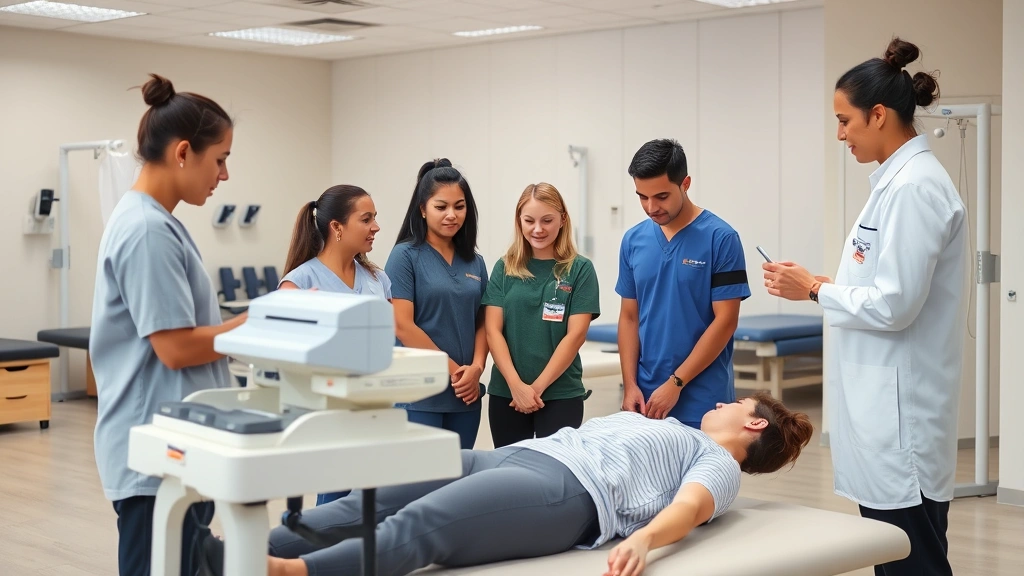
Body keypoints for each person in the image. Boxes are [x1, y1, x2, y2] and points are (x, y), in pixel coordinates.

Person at [200, 391, 813, 576]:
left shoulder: (719, 463)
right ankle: (253, 552)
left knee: (418, 529)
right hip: (514, 455)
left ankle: (294, 574)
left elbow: (689, 507)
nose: (725, 402)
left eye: (738, 402)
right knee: (373, 499)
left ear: (752, 422)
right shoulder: (676, 427)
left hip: (565, 492)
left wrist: (645, 542)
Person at [762, 37, 964, 576]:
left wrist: (813, 290)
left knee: (912, 561)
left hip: (902, 422)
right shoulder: (895, 185)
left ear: (879, 115)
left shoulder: (914, 189)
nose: (839, 134)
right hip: (883, 417)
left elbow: (895, 305)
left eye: (844, 120)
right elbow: (883, 283)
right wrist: (828, 283)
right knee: (893, 555)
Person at [89, 73, 244, 576]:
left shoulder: (156, 222)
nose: (223, 175)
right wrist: (258, 324)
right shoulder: (146, 230)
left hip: (176, 444)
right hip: (155, 453)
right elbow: (175, 348)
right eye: (219, 159)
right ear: (183, 153)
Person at [616, 139, 751, 427]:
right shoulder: (632, 241)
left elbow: (725, 321)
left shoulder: (721, 239)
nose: (651, 207)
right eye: (642, 197)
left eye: (662, 196)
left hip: (704, 396)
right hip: (645, 397)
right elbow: (629, 317)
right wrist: (629, 385)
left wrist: (676, 383)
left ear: (685, 183)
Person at [280, 184, 392, 505]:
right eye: (366, 219)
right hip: (329, 417)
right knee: (334, 507)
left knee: (373, 506)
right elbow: (291, 361)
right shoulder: (299, 283)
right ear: (337, 227)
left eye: (375, 218)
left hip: (377, 409)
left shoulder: (377, 280)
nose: (376, 227)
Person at [483, 183, 600, 447]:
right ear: (519, 221)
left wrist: (534, 390)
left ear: (563, 220)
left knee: (555, 479)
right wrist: (516, 386)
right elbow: (493, 331)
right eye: (529, 221)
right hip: (507, 393)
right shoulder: (505, 268)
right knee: (510, 477)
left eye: (547, 220)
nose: (538, 229)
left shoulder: (580, 270)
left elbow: (576, 335)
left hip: (560, 393)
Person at [384, 159, 489, 449]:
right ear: (423, 209)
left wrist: (477, 369)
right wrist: (457, 371)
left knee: (456, 485)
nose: (452, 215)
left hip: (465, 395)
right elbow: (402, 325)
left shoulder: (475, 262)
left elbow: (483, 321)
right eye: (441, 207)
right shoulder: (404, 256)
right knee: (418, 486)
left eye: (460, 206)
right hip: (419, 394)